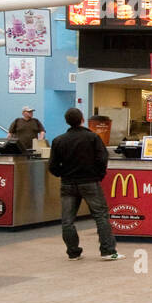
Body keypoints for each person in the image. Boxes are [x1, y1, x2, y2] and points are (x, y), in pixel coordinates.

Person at [48, 108, 119, 261]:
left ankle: (73, 252)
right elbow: (102, 158)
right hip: (90, 182)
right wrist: (99, 175)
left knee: (67, 220)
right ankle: (108, 251)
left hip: (67, 184)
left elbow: (52, 166)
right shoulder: (92, 137)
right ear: (82, 120)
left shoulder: (58, 140)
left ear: (67, 121)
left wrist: (63, 174)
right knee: (100, 216)